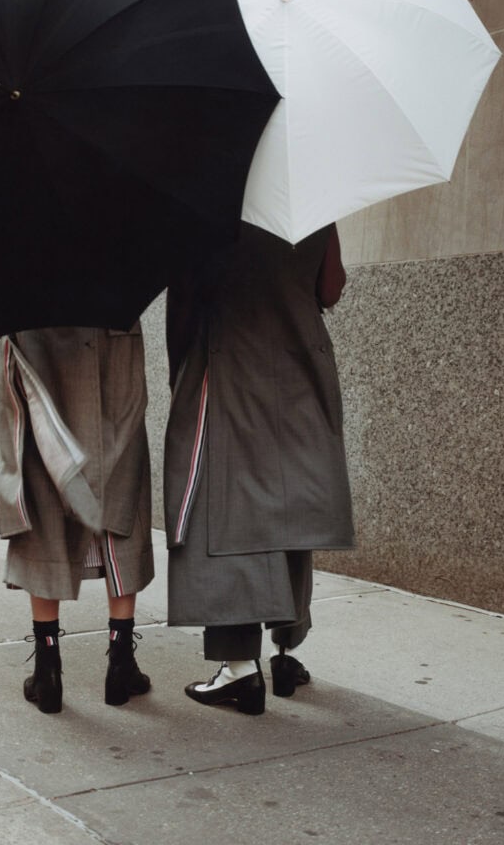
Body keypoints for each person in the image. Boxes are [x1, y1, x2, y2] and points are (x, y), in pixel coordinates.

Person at [164, 222, 354, 715]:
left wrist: (179, 374)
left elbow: (184, 302)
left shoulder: (211, 203)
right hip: (298, 364)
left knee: (225, 511)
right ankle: (287, 653)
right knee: (288, 503)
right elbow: (330, 288)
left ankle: (238, 669)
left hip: (227, 362)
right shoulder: (309, 202)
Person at [0, 325, 154, 714]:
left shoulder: (24, 270)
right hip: (113, 337)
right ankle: (120, 661)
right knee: (119, 503)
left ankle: (49, 667)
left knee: (46, 513)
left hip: (41, 344)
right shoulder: (123, 268)